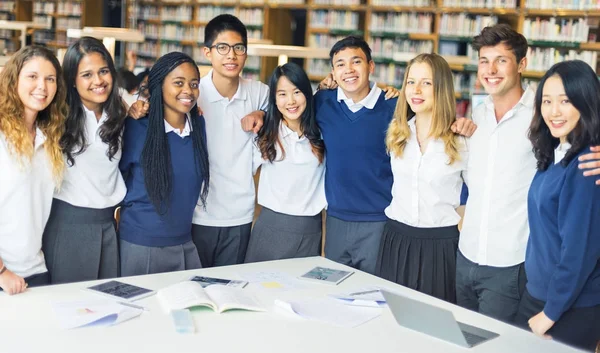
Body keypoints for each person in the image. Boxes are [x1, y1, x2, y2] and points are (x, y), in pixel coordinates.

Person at [455, 24, 600, 323]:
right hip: (465, 255)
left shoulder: (544, 115)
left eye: (501, 60)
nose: (491, 70)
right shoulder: (477, 114)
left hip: (511, 265)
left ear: (522, 64)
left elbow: (584, 127)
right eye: (484, 61)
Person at [315, 36, 476, 275]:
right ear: (333, 72)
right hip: (337, 219)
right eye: (340, 64)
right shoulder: (321, 102)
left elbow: (432, 117)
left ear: (371, 66)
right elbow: (288, 114)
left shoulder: (396, 107)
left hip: (381, 221)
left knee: (375, 292)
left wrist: (460, 124)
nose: (348, 70)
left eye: (356, 61)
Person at [128, 14, 268, 268]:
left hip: (240, 214)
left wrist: (263, 114)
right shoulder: (192, 93)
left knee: (228, 289)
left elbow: (292, 110)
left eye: (239, 48)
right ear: (207, 52)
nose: (231, 55)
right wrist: (138, 106)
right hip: (195, 215)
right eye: (222, 48)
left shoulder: (260, 93)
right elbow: (158, 104)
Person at [514, 60, 600, 351]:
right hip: (541, 294)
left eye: (565, 101)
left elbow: (578, 251)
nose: (554, 111)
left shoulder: (586, 166)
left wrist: (549, 314)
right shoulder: (554, 152)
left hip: (567, 307)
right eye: (547, 101)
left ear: (585, 102)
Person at [375, 53, 468, 303]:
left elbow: (480, 194)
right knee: (391, 320)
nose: (416, 90)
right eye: (411, 81)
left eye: (426, 82)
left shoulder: (460, 140)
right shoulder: (398, 132)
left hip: (439, 246)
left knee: (435, 326)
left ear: (442, 87)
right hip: (396, 239)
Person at [42, 37, 127, 284]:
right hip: (69, 225)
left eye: (103, 71)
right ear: (72, 80)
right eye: (87, 75)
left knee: (110, 306)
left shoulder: (119, 112)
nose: (98, 81)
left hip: (109, 225)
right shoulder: (57, 118)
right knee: (73, 308)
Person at [118, 51, 209, 276]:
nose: (188, 90)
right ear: (159, 85)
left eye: (194, 84)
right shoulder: (136, 127)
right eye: (178, 83)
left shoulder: (198, 127)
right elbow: (117, 180)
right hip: (141, 245)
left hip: (185, 242)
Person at [0, 46, 67, 293]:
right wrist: (2, 272)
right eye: (32, 77)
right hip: (5, 275)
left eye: (50, 79)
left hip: (37, 270)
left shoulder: (48, 137)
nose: (42, 86)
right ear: (13, 80)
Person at [245, 62, 326, 263]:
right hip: (270, 227)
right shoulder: (265, 134)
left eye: (296, 92)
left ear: (307, 93)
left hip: (309, 229)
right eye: (282, 94)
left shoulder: (322, 133)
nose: (290, 101)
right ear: (274, 98)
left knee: (300, 293)